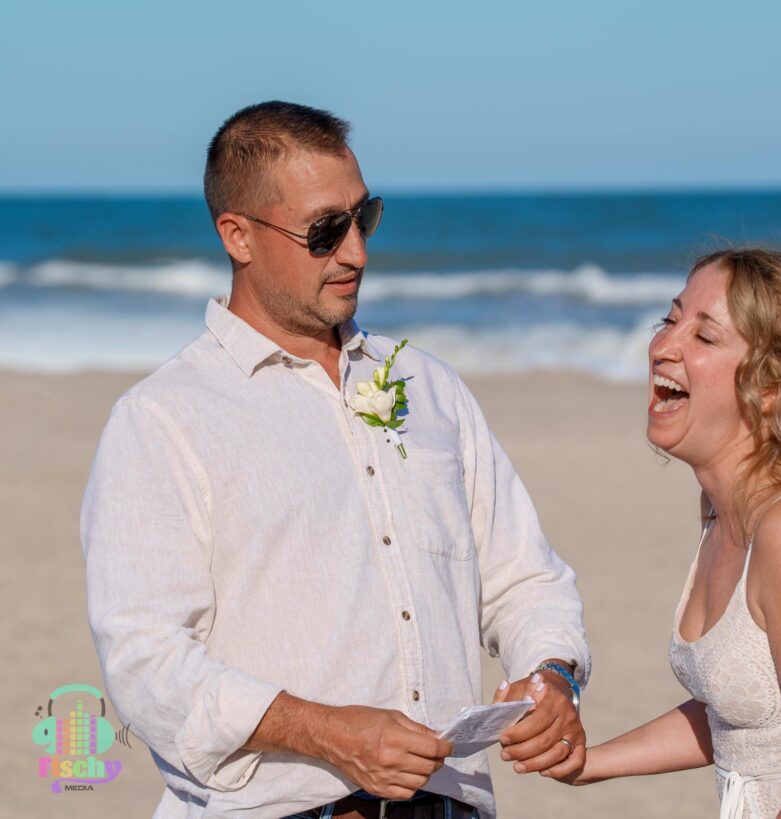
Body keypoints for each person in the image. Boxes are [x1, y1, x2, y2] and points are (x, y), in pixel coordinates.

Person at [81, 101, 589, 819]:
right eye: (326, 230)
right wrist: (326, 731)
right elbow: (146, 662)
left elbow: (524, 576)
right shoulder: (162, 419)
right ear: (238, 236)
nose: (357, 251)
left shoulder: (431, 388)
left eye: (364, 217)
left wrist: (553, 675)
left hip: (452, 804)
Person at [544, 249, 781, 817]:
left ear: (772, 387)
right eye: (671, 319)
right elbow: (748, 713)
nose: (663, 346)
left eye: (704, 337)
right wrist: (592, 763)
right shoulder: (724, 511)